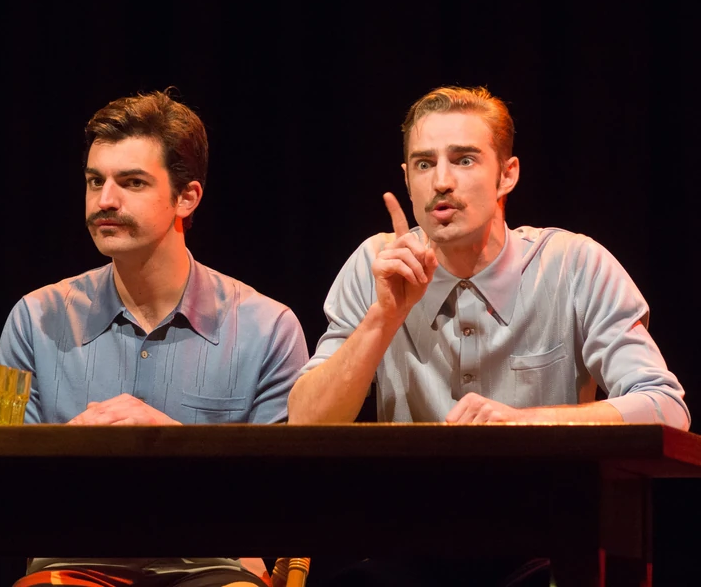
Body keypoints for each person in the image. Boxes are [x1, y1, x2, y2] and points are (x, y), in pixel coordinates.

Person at [287, 85, 689, 586]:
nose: (442, 181)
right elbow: (305, 421)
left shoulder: (574, 264)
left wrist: (524, 424)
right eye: (424, 164)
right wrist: (383, 318)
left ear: (507, 174)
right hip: (410, 545)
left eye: (464, 160)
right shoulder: (379, 264)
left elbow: (664, 405)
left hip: (547, 543)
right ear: (407, 179)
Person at [0, 90, 310, 587]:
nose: (105, 200)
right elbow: (7, 493)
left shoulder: (267, 328)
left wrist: (173, 445)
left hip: (214, 568)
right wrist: (69, 449)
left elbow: (281, 500)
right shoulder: (36, 319)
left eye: (132, 182)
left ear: (187, 197)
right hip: (72, 566)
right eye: (95, 181)